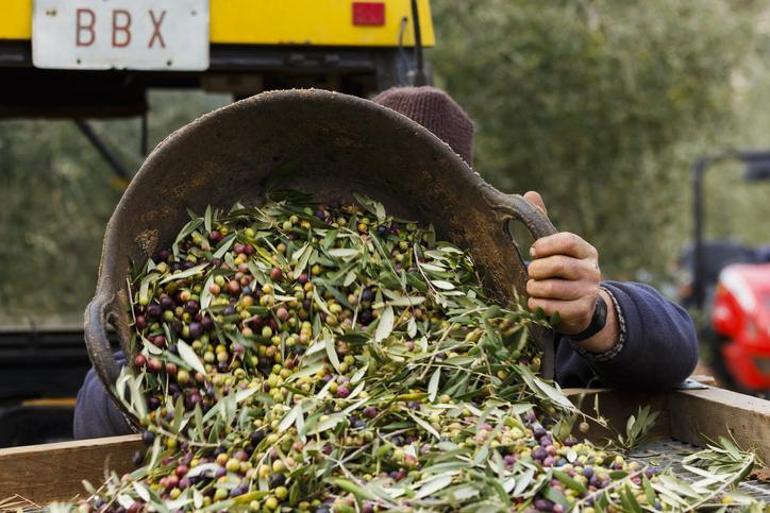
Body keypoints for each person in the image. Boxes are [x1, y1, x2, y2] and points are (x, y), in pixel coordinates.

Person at [73, 87, 698, 439]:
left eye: (425, 218)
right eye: (379, 216)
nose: (398, 237)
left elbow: (675, 348)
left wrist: (595, 313)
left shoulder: (498, 316)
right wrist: (152, 366)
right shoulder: (276, 288)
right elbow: (91, 423)